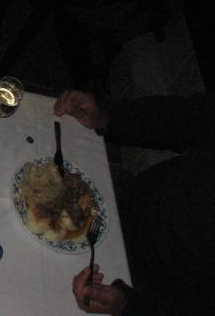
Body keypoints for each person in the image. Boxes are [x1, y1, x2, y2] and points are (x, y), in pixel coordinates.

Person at [54, 89, 215, 316]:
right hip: (128, 198)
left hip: (143, 284)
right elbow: (187, 118)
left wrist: (128, 306)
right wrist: (106, 115)